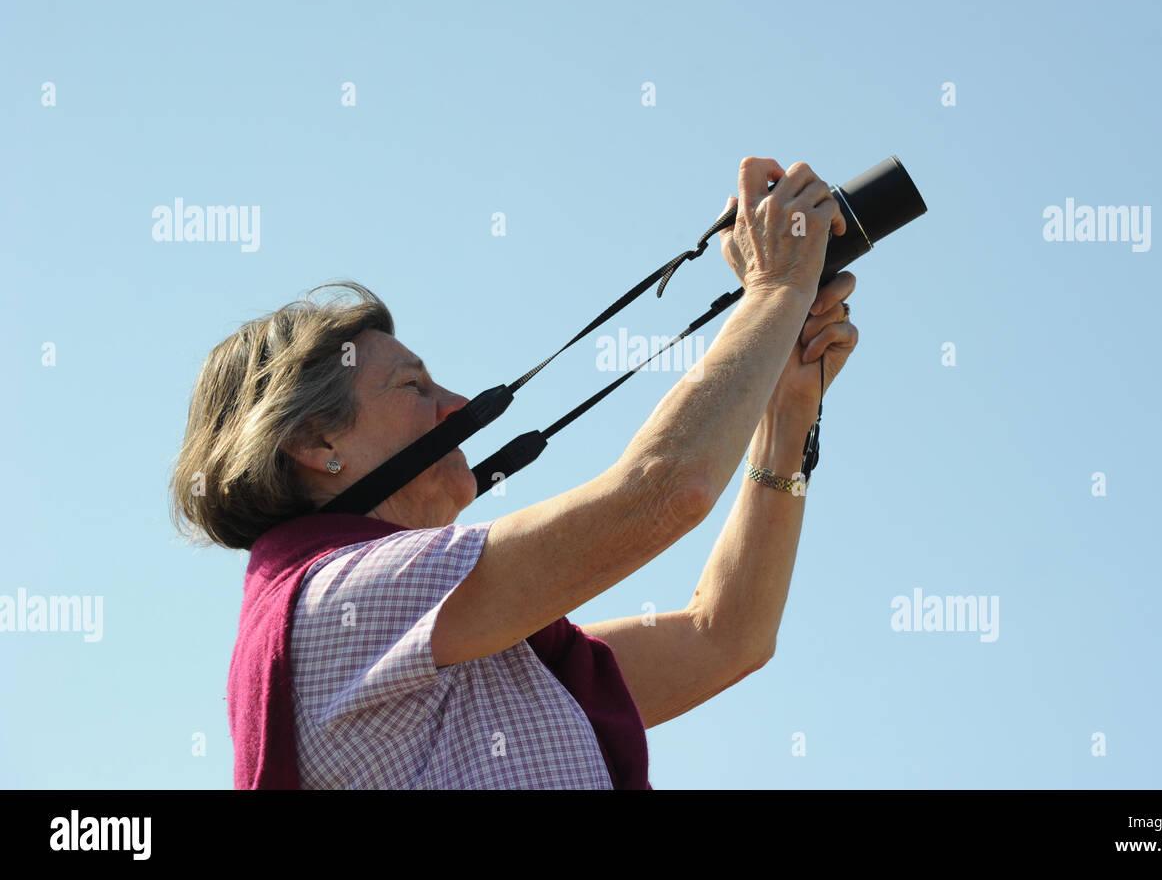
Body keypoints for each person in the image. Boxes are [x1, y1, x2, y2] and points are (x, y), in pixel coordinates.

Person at [169, 156, 859, 789]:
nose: (458, 406)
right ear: (316, 441)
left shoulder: (479, 649)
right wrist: (774, 290)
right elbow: (663, 491)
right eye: (414, 388)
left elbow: (725, 637)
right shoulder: (331, 606)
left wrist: (786, 416)